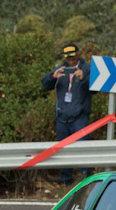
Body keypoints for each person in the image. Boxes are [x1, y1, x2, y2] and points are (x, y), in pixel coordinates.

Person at [41, 43, 94, 185]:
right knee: (63, 150)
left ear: (78, 54)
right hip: (62, 117)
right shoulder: (61, 69)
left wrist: (83, 79)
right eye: (67, 58)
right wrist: (53, 77)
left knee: (83, 149)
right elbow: (45, 84)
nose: (70, 60)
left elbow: (94, 89)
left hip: (79, 117)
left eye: (72, 57)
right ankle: (65, 180)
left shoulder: (87, 68)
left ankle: (86, 179)